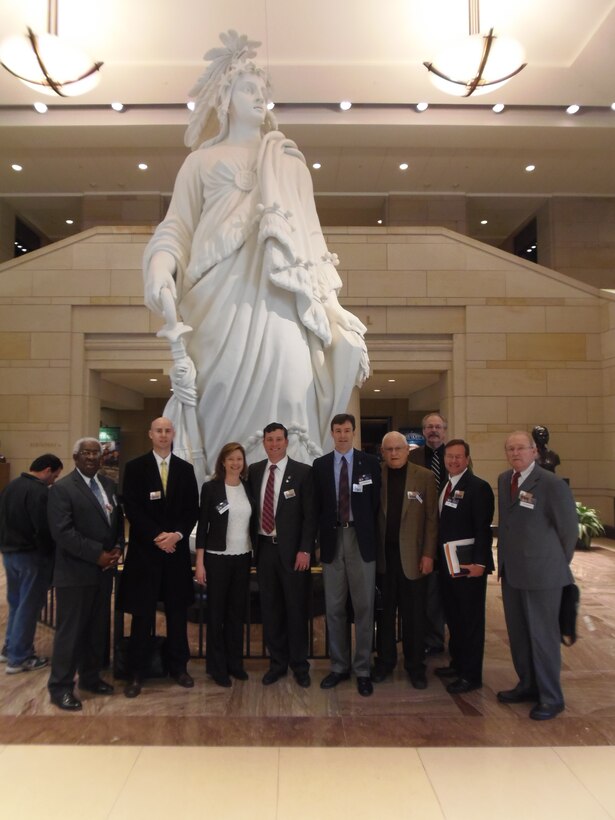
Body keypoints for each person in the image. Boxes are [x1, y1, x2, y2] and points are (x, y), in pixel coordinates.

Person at [142, 30, 369, 472]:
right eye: (249, 88)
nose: (260, 97)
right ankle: (216, 497)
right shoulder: (201, 163)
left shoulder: (286, 161)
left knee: (290, 386)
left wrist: (333, 306)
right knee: (218, 391)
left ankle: (288, 505)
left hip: (280, 296)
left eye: (264, 91)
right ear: (225, 99)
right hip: (217, 302)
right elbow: (177, 226)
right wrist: (159, 266)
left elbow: (310, 241)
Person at [497, 430, 578, 720]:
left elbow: (569, 531)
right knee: (519, 636)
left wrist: (553, 562)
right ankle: (527, 685)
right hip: (512, 572)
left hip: (543, 574)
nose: (515, 453)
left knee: (543, 637)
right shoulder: (505, 479)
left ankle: (551, 697)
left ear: (534, 452)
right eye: (510, 449)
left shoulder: (551, 484)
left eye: (521, 448)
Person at [118, 417, 199, 698]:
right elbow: (132, 508)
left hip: (175, 554)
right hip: (146, 555)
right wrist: (157, 536)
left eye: (168, 431)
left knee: (177, 614)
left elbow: (192, 509)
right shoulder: (136, 467)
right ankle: (136, 673)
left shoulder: (186, 469)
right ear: (150, 434)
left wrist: (176, 535)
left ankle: (179, 668)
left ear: (173, 434)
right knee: (142, 616)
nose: (164, 435)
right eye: (159, 431)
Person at [47, 439, 123, 711]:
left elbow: (116, 521)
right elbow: (63, 532)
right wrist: (96, 554)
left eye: (96, 453)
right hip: (75, 573)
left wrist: (117, 548)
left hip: (102, 573)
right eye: (86, 453)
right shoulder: (63, 489)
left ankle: (90, 678)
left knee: (96, 630)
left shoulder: (109, 485)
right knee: (70, 633)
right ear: (75, 456)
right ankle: (60, 687)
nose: (92, 457)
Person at [312, 413, 380, 697]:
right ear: (332, 433)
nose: (342, 435)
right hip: (331, 540)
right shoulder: (320, 465)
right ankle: (339, 666)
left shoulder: (371, 463)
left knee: (364, 606)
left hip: (360, 540)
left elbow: (376, 505)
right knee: (334, 607)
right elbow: (316, 506)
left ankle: (363, 668)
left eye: (347, 430)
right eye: (337, 430)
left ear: (354, 432)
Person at [248, 423, 315, 687]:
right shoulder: (253, 472)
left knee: (296, 609)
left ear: (286, 442)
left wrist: (305, 549)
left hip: (293, 553)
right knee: (271, 609)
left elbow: (310, 516)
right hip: (265, 550)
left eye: (278, 439)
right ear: (263, 442)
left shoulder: (303, 472)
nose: (274, 444)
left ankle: (300, 665)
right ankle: (277, 663)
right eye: (269, 439)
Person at [371, 431, 438, 690]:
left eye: (398, 448)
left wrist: (428, 554)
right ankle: (385, 661)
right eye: (388, 449)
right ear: (382, 452)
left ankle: (415, 666)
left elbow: (432, 519)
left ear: (407, 450)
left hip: (414, 559)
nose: (394, 453)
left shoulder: (424, 476)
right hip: (384, 560)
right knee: (385, 616)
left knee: (414, 617)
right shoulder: (376, 474)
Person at [195, 442, 257, 687]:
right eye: (230, 459)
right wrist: (200, 563)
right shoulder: (211, 488)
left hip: (242, 557)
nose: (235, 463)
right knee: (216, 614)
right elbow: (202, 528)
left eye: (239, 459)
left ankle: (235, 663)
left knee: (235, 614)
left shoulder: (248, 487)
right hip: (216, 558)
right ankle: (216, 667)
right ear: (222, 462)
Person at [435, 439, 494, 694]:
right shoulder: (446, 486)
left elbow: (483, 529)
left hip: (470, 567)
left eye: (459, 457)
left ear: (468, 459)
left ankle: (471, 675)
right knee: (454, 618)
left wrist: (480, 563)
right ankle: (458, 664)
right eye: (450, 457)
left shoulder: (478, 487)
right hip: (448, 566)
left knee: (470, 622)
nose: (454, 461)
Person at [0, 453, 63, 674]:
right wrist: (51, 556)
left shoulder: (11, 486)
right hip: (31, 557)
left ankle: (10, 648)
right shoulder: (39, 492)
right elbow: (44, 529)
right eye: (55, 475)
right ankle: (20, 657)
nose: (54, 480)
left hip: (9, 554)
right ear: (47, 470)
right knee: (29, 606)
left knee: (17, 604)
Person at [409, 412, 448, 655]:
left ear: (444, 430)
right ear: (423, 432)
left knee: (443, 588)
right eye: (429, 427)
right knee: (424, 587)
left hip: (448, 532)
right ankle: (424, 636)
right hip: (418, 531)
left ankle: (437, 636)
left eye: (438, 427)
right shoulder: (412, 457)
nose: (434, 430)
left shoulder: (454, 456)